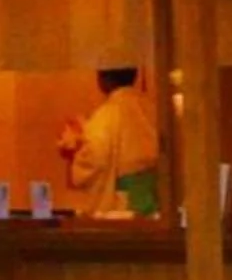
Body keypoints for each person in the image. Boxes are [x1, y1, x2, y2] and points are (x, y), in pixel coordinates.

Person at [56, 66, 161, 217]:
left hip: (124, 202)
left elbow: (95, 158)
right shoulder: (152, 109)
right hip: (156, 194)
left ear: (104, 79)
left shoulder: (107, 115)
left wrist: (75, 151)